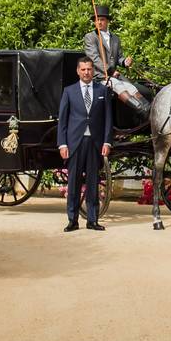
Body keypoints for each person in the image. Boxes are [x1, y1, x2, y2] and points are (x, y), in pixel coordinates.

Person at [58, 57, 113, 232]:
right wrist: (62, 144)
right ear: (78, 71)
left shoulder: (102, 90)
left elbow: (108, 119)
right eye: (83, 69)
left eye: (89, 69)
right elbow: (63, 121)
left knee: (92, 183)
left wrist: (107, 141)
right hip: (75, 143)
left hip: (95, 143)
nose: (86, 72)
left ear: (93, 70)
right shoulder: (69, 91)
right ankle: (72, 220)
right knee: (73, 184)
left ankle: (92, 220)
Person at [83, 5, 150, 116]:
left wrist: (125, 62)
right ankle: (141, 111)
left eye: (102, 20)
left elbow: (119, 57)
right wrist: (110, 71)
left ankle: (148, 108)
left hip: (115, 75)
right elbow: (94, 58)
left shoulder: (115, 39)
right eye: (97, 20)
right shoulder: (90, 37)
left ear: (107, 21)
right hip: (100, 76)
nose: (99, 22)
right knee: (118, 86)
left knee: (131, 87)